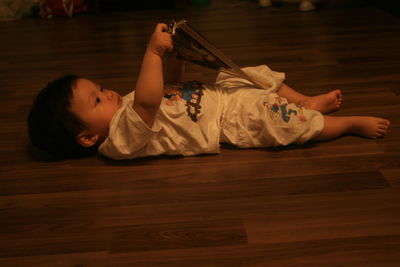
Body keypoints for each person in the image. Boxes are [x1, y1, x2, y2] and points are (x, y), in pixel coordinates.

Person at [27, 23, 390, 160]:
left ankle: (304, 100)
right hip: (224, 123)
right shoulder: (119, 141)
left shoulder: (122, 107)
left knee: (246, 74)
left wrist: (177, 60)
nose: (108, 94)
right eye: (96, 99)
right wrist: (152, 52)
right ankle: (343, 124)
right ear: (89, 137)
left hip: (215, 96)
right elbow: (151, 100)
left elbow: (164, 89)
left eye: (101, 88)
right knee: (280, 123)